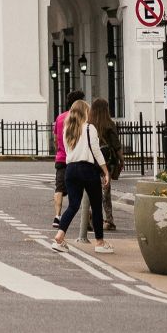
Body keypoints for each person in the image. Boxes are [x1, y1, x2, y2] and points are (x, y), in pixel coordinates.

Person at [53, 99, 110, 253]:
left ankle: (59, 235)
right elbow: (96, 150)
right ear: (85, 112)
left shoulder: (67, 130)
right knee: (96, 205)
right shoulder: (89, 128)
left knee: (73, 205)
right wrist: (105, 170)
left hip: (70, 169)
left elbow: (66, 150)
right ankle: (99, 242)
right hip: (87, 169)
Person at [50, 89, 83, 227]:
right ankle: (87, 217)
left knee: (59, 188)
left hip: (61, 158)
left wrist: (59, 150)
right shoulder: (81, 118)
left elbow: (56, 139)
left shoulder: (60, 117)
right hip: (76, 158)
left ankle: (57, 216)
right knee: (82, 189)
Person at [92, 97, 124, 233]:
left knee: (91, 190)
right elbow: (116, 144)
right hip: (106, 161)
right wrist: (121, 159)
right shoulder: (109, 124)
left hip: (92, 161)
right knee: (106, 191)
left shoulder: (89, 124)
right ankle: (109, 220)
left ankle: (90, 218)